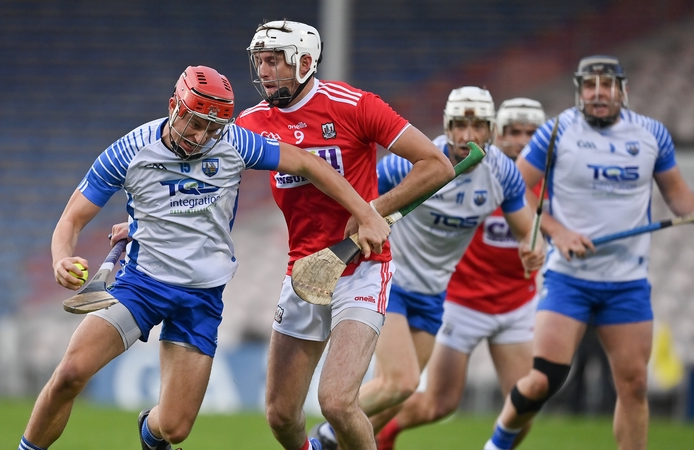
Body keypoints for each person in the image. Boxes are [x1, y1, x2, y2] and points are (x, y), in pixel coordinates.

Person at [16, 65, 393, 450]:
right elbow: (72, 218)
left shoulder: (234, 143)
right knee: (71, 374)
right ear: (173, 107)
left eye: (213, 129)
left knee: (175, 428)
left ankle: (149, 430)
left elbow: (308, 163)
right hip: (141, 287)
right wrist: (61, 258)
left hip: (201, 298)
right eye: (194, 123)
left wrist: (365, 213)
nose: (202, 137)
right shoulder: (130, 150)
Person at [234, 20, 456, 450]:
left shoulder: (355, 105)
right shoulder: (252, 123)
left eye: (273, 61)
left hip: (362, 268)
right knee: (281, 416)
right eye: (259, 61)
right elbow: (211, 184)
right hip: (303, 272)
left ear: (303, 62)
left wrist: (375, 210)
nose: (263, 71)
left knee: (336, 402)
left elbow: (437, 165)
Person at [309, 86, 546, 449]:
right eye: (460, 126)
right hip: (390, 280)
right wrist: (367, 215)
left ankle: (332, 436)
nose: (468, 137)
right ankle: (324, 434)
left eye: (478, 126)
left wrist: (534, 249)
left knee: (398, 395)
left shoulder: (503, 175)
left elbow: (528, 231)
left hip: (435, 292)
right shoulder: (414, 163)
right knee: (400, 382)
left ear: (492, 130)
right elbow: (358, 197)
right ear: (447, 128)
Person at [483, 55, 694, 450]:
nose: (599, 92)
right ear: (580, 90)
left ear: (622, 90)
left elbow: (680, 198)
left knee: (633, 384)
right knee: (543, 378)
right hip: (569, 279)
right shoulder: (556, 131)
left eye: (607, 84)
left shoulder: (652, 135)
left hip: (627, 281)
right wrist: (557, 231)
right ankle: (499, 442)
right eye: (590, 85)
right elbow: (515, 189)